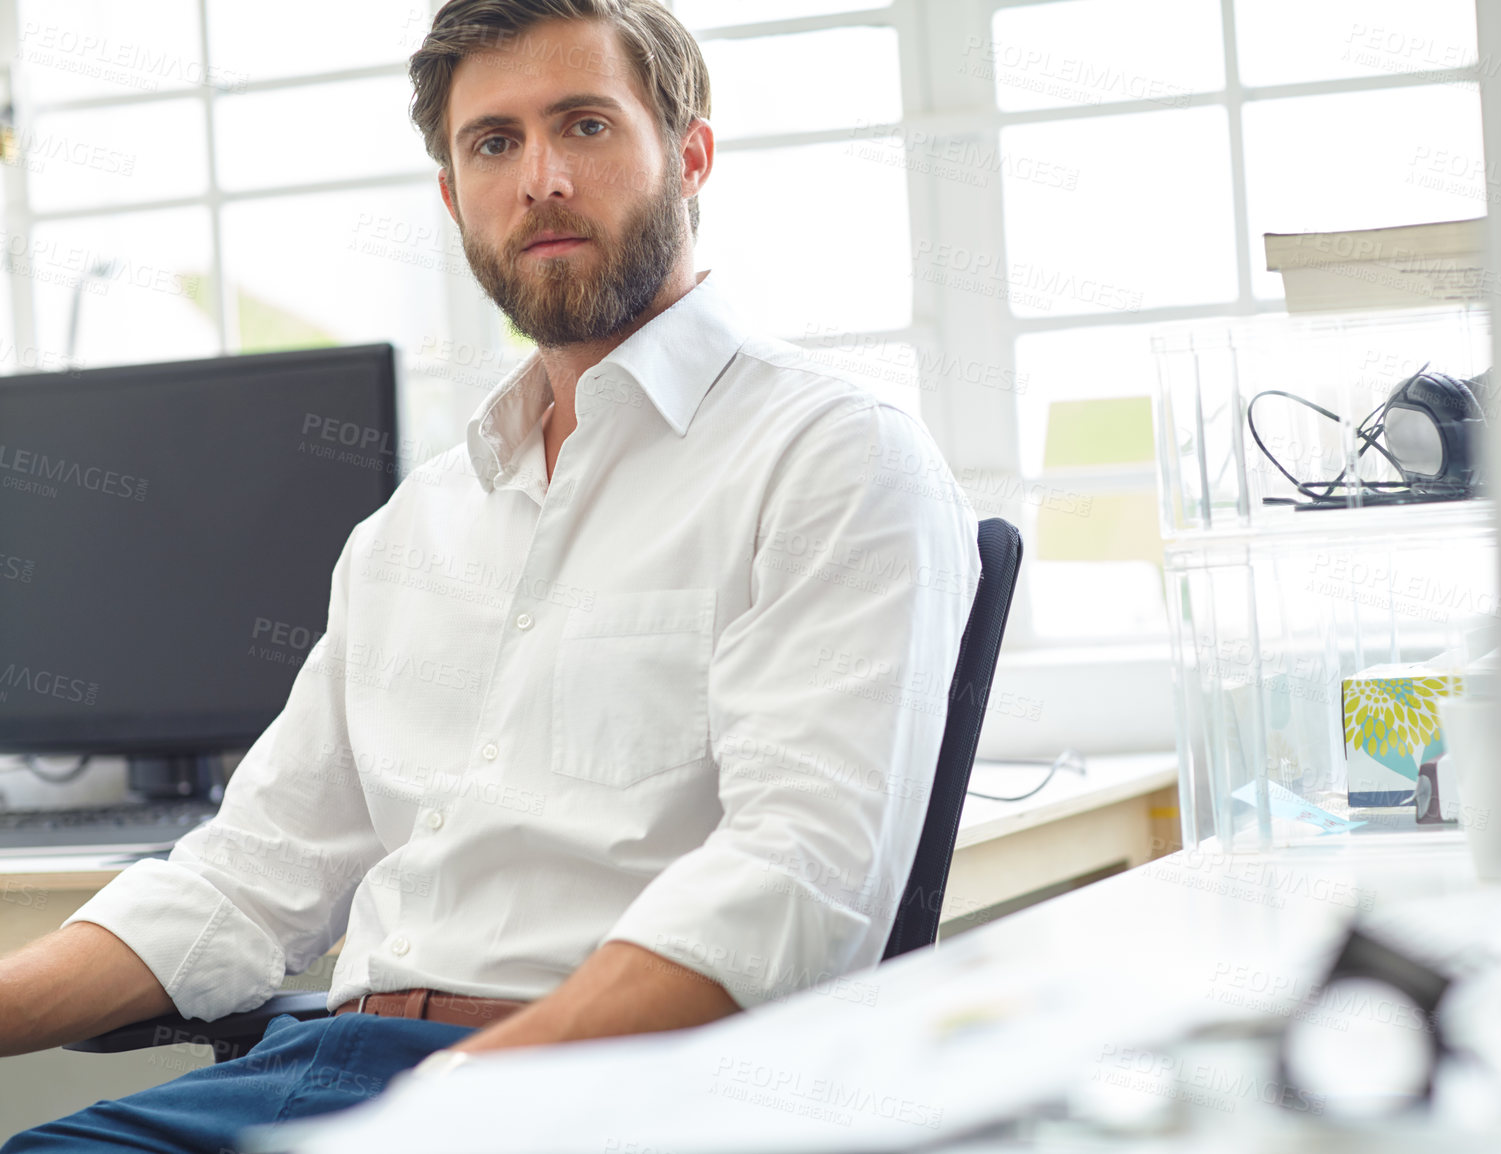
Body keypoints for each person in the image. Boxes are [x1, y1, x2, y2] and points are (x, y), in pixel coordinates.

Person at [0, 2, 978, 1149]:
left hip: (606, 1096)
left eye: (586, 125)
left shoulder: (830, 456)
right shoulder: (414, 526)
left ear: (690, 154)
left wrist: (458, 1094)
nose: (542, 179)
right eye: (493, 142)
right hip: (320, 1069)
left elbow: (794, 884)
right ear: (453, 191)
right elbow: (245, 874)